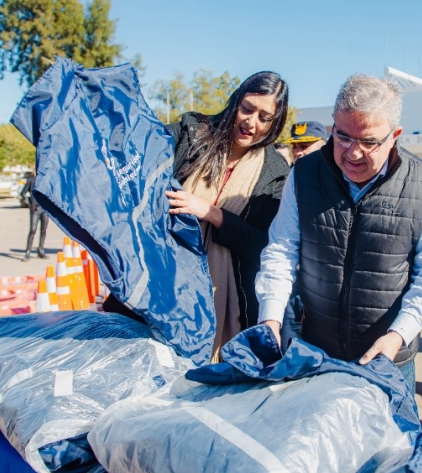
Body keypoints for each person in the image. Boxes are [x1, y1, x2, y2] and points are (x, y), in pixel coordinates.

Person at [255, 74, 422, 395]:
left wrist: (397, 335)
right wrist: (271, 318)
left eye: (369, 141)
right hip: (317, 351)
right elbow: (281, 250)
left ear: (395, 136)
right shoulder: (304, 176)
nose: (353, 153)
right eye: (343, 137)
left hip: (388, 359)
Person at [104, 71, 291, 361]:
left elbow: (263, 247)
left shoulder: (276, 171)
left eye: (265, 117)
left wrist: (212, 214)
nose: (251, 123)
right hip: (158, 276)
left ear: (275, 123)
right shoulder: (192, 132)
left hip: (219, 298)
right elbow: (139, 147)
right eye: (247, 109)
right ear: (235, 103)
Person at [19, 171, 49, 261]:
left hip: (45, 209)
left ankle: (41, 249)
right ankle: (28, 251)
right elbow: (23, 193)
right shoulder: (32, 180)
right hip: (35, 209)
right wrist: (29, 202)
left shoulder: (46, 180)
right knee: (32, 230)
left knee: (43, 230)